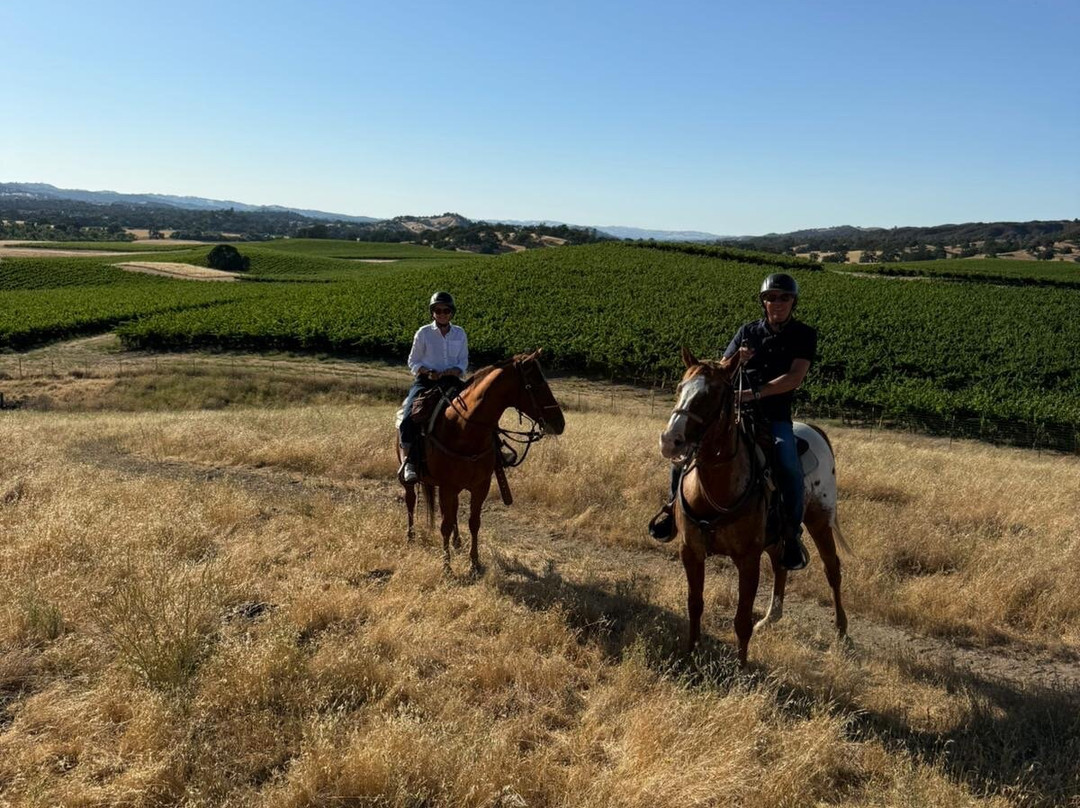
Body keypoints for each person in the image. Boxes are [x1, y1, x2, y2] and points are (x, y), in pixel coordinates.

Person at [649, 273, 815, 572]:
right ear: (763, 301)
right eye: (770, 297)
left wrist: (754, 393)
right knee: (684, 455)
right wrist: (738, 358)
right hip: (737, 413)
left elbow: (794, 377)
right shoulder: (748, 331)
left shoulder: (803, 334)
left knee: (788, 465)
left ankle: (791, 535)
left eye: (783, 297)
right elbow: (723, 369)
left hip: (774, 416)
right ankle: (672, 511)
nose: (776, 303)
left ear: (793, 302)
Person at [399, 291, 469, 484]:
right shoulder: (423, 333)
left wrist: (454, 370)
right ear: (432, 312)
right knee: (408, 419)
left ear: (451, 312)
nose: (442, 313)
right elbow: (413, 361)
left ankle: (497, 451)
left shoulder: (460, 333)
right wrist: (428, 372)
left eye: (446, 310)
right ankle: (410, 462)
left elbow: (463, 362)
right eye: (438, 310)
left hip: (451, 381)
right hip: (426, 381)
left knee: (480, 406)